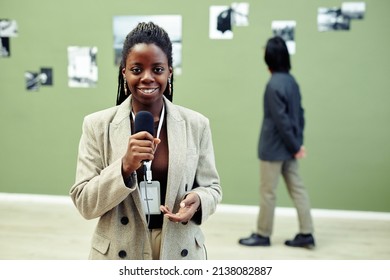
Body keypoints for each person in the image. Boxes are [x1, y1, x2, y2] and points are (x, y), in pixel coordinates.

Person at [70, 22, 222, 260]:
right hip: (120, 250)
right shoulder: (97, 125)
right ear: (124, 72)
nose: (147, 78)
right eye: (137, 69)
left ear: (169, 71)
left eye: (158, 69)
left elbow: (212, 188)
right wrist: (124, 167)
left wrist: (199, 200)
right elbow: (84, 203)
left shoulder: (197, 124)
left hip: (180, 249)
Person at [238, 36, 315, 248]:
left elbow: (281, 121)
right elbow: (299, 115)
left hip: (273, 150)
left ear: (270, 57)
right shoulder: (292, 81)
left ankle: (263, 234)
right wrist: (297, 145)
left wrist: (294, 146)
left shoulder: (273, 85)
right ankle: (307, 233)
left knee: (268, 193)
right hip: (290, 149)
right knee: (298, 190)